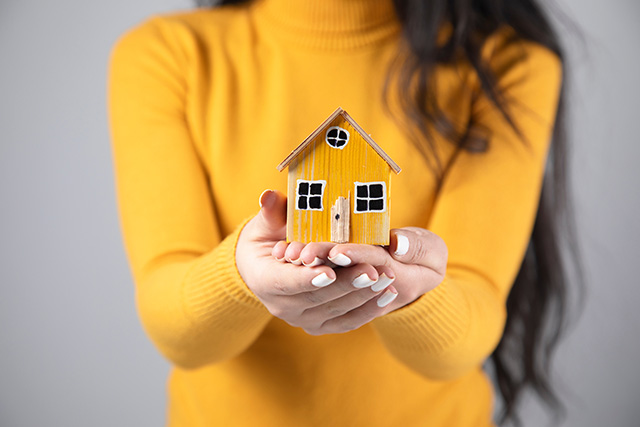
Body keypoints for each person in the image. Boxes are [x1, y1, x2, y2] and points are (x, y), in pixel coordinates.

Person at [108, 0, 578, 425]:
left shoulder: (509, 63)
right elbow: (175, 329)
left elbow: (470, 327)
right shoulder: (165, 54)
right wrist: (239, 275)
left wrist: (412, 294)